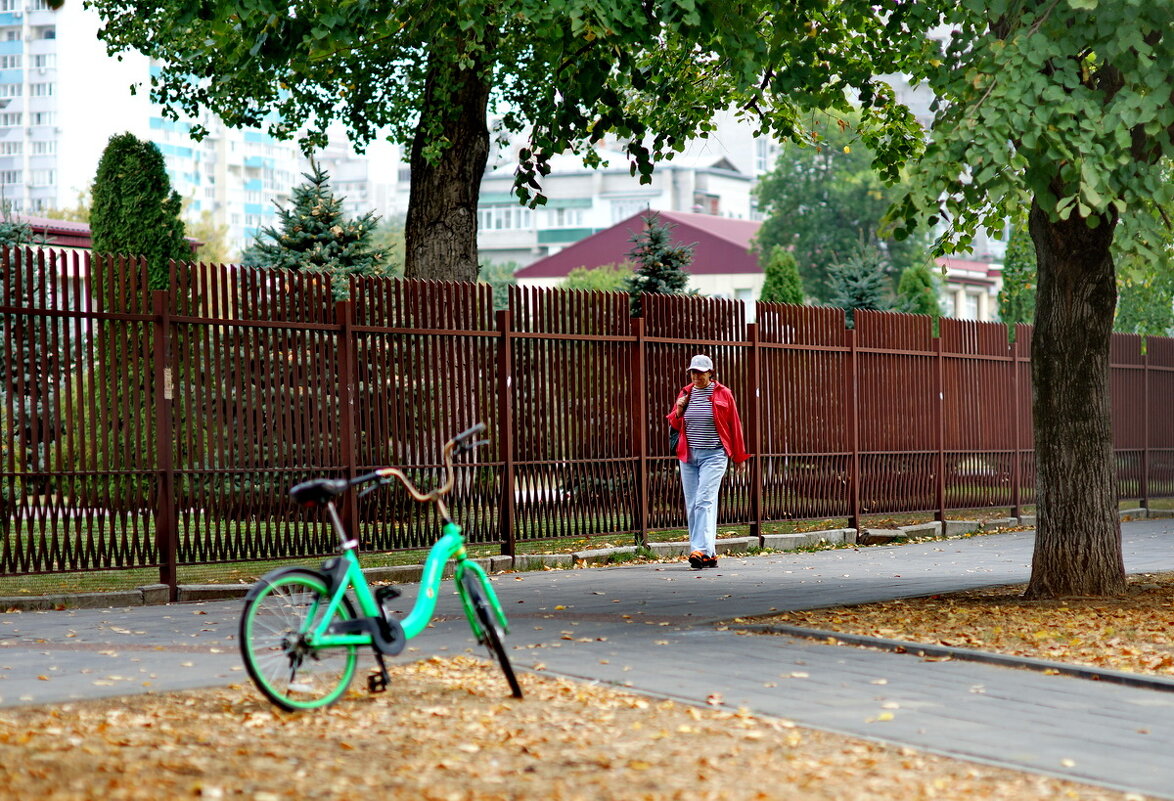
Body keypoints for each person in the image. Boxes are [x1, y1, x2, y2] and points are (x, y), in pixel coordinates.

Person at [665, 354, 748, 569]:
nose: (696, 376)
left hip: (714, 455)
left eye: (701, 372)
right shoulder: (685, 393)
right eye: (693, 372)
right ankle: (708, 553)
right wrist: (679, 410)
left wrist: (739, 456)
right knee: (694, 504)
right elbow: (675, 424)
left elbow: (734, 425)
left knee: (704, 501)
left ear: (710, 373)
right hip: (688, 456)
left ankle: (699, 550)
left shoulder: (723, 393)